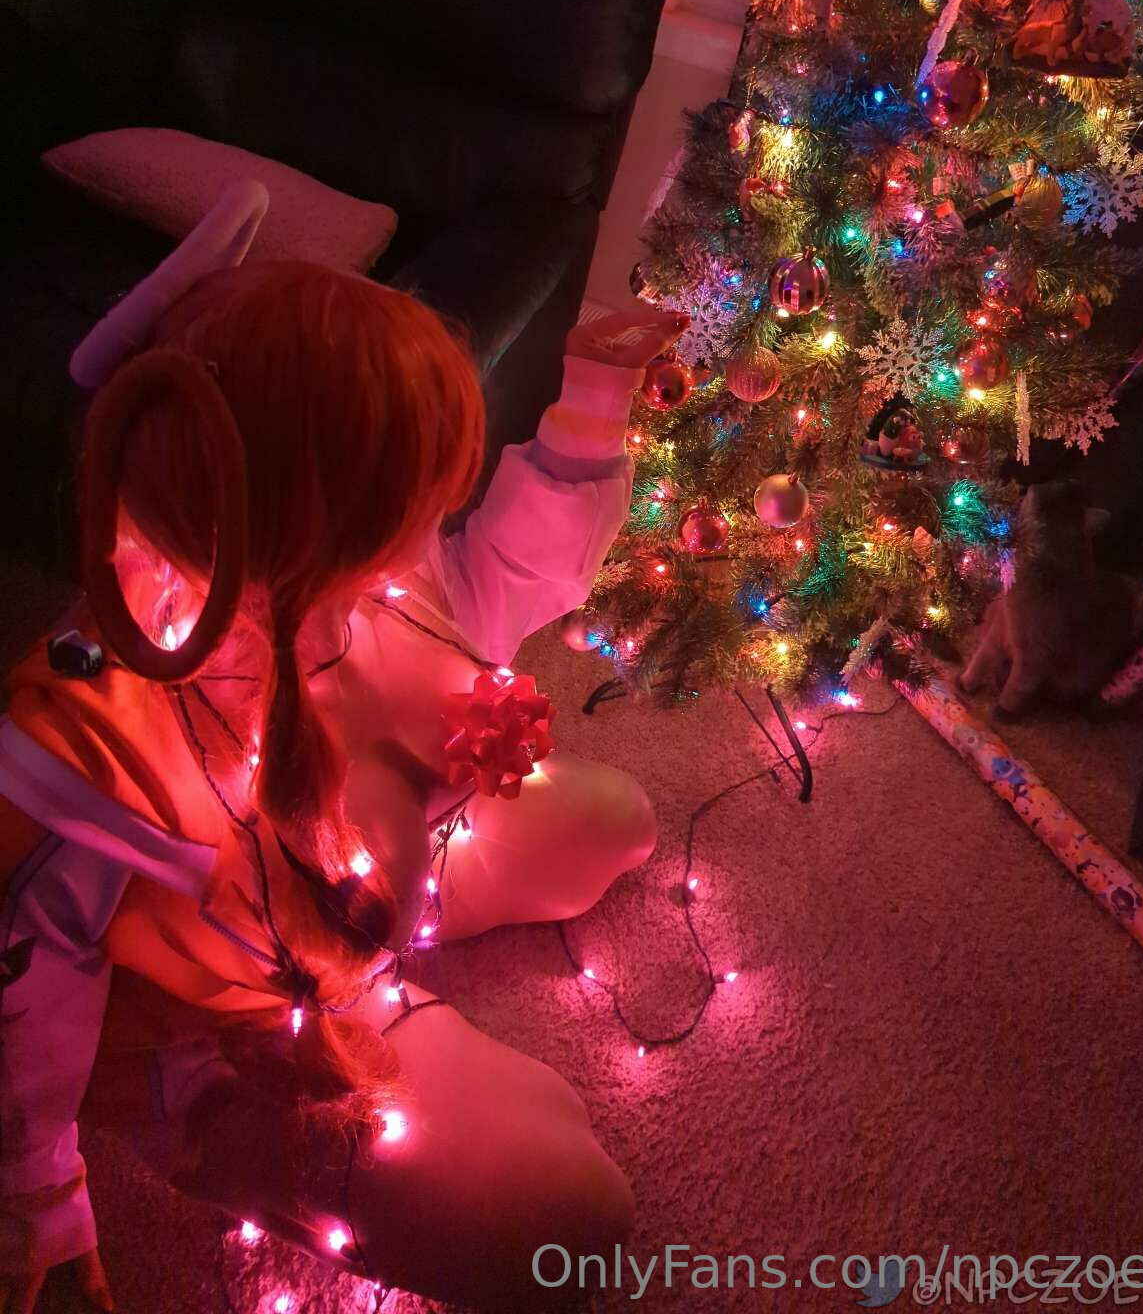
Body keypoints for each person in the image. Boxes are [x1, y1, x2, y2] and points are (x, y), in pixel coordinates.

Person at [0, 182, 686, 1312]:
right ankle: (294, 1094)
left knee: (619, 823)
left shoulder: (381, 580)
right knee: (570, 1214)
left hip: (363, 885)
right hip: (238, 1011)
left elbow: (507, 577)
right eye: (413, 499)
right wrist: (35, 1193)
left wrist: (591, 405)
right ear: (311, 525)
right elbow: (31, 984)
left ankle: (393, 932)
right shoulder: (104, 738)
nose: (432, 526)